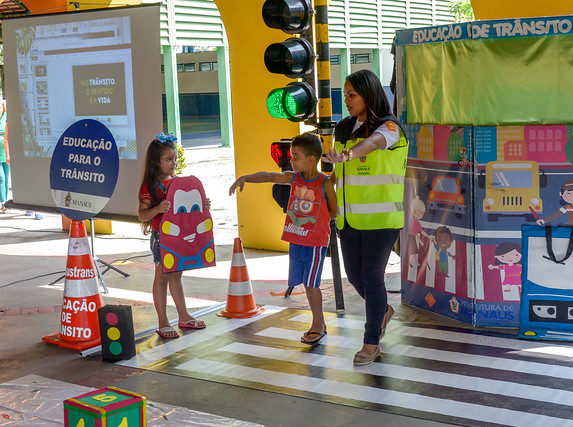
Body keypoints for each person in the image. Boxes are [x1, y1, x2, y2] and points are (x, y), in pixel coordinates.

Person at [323, 69, 409, 365]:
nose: (346, 100)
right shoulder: (344, 128)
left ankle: (371, 342)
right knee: (356, 277)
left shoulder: (391, 128)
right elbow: (338, 173)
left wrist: (348, 155)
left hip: (381, 220)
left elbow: (372, 144)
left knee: (372, 278)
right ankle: (383, 310)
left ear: (369, 94)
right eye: (345, 94)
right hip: (348, 220)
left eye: (352, 95)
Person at [229, 132, 337, 344]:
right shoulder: (293, 178)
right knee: (306, 283)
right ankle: (319, 322)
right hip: (297, 240)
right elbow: (269, 175)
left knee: (312, 283)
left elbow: (333, 211)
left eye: (296, 156)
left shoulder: (324, 184)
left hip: (315, 243)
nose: (292, 160)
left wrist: (315, 220)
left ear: (311, 159)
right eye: (292, 156)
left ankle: (318, 323)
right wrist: (246, 178)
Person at [138, 136, 207, 339]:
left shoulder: (179, 183)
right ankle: (163, 321)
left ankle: (183, 316)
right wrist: (157, 209)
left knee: (176, 275)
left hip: (180, 237)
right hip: (162, 237)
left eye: (175, 159)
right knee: (162, 277)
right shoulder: (149, 187)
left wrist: (202, 207)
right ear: (155, 162)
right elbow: (142, 214)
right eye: (168, 159)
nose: (173, 163)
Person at [0, 100, 10, 213]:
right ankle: (3, 201)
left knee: (6, 178)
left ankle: (6, 202)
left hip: (5, 153)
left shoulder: (6, 118)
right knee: (1, 178)